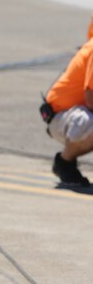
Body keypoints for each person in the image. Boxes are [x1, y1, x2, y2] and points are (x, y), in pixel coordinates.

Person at [41, 17, 93, 187]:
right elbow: (91, 99)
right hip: (62, 117)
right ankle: (65, 162)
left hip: (80, 111)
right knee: (87, 123)